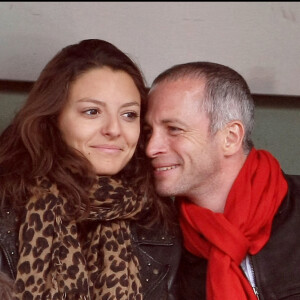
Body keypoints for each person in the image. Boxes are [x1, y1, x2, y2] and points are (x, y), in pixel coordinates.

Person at [0, 39, 181, 299]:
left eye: (129, 114)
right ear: (54, 117)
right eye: (92, 111)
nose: (114, 129)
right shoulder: (7, 203)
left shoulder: (160, 221)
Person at [145, 61, 300, 300]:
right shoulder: (157, 239)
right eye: (149, 132)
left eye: (174, 129)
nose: (151, 148)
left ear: (230, 138)